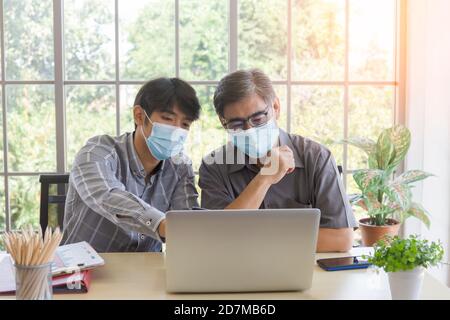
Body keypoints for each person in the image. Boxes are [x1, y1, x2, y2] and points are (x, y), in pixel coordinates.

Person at [199, 69, 357, 252]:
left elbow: (340, 239)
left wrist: (253, 238)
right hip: (238, 275)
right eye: (236, 124)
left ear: (275, 107)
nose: (249, 130)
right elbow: (217, 238)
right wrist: (264, 178)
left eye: (257, 119)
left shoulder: (316, 157)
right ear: (222, 122)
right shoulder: (214, 166)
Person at [63, 78, 201, 252]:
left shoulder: (180, 166)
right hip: (87, 270)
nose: (176, 130)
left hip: (148, 271)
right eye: (167, 118)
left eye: (185, 124)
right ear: (139, 116)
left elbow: (187, 222)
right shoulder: (97, 152)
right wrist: (161, 224)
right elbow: (106, 195)